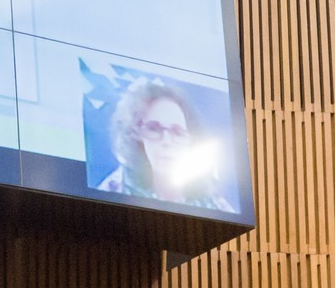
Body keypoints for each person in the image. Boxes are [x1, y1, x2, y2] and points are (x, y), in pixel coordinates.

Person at [96, 79, 234, 210]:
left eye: (177, 132)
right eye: (154, 129)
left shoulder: (212, 200)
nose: (166, 141)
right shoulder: (113, 191)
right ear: (136, 134)